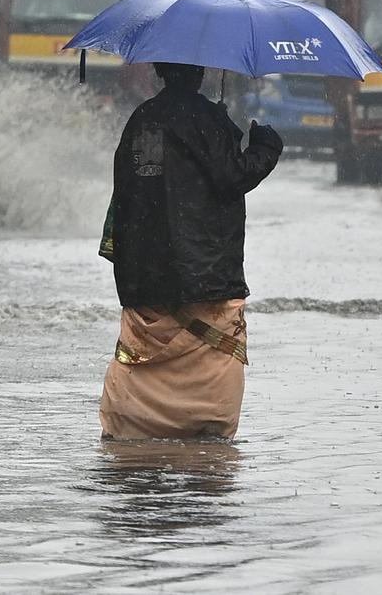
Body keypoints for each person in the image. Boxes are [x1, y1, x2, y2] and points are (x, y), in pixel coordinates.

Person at [98, 63, 284, 441]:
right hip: (207, 277)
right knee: (211, 415)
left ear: (158, 71)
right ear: (200, 73)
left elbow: (131, 187)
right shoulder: (205, 119)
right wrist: (265, 147)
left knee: (135, 402)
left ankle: (135, 429)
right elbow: (231, 176)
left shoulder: (143, 119)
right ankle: (204, 436)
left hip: (145, 272)